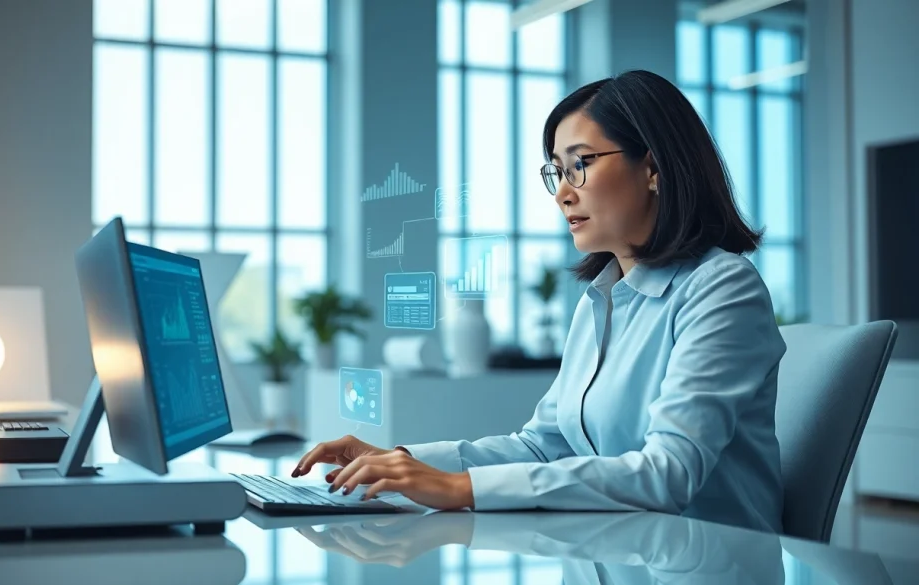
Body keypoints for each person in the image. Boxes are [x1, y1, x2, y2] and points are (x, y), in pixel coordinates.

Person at [293, 69, 787, 534]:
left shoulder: (722, 288)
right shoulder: (600, 301)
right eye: (557, 172)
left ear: (653, 168)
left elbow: (667, 474)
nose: (563, 194)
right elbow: (543, 446)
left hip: (704, 564)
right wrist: (403, 461)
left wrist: (457, 488)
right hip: (611, 550)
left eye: (581, 165)